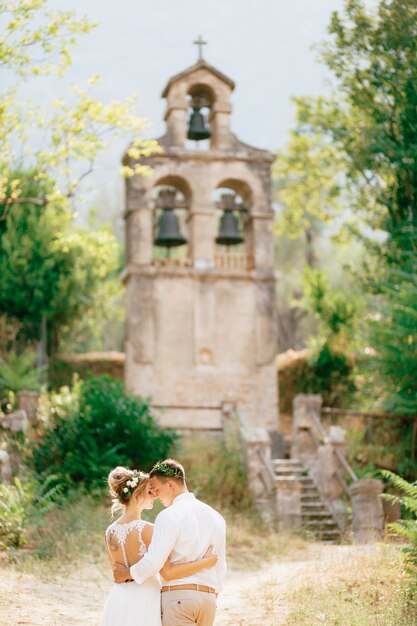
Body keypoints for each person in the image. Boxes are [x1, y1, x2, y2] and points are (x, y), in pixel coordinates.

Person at [113, 458, 227, 626]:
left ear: (171, 485)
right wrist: (212, 594)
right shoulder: (216, 516)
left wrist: (126, 573)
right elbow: (221, 565)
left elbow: (154, 563)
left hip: (179, 599)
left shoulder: (169, 516)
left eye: (157, 489)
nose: (156, 496)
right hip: (209, 600)